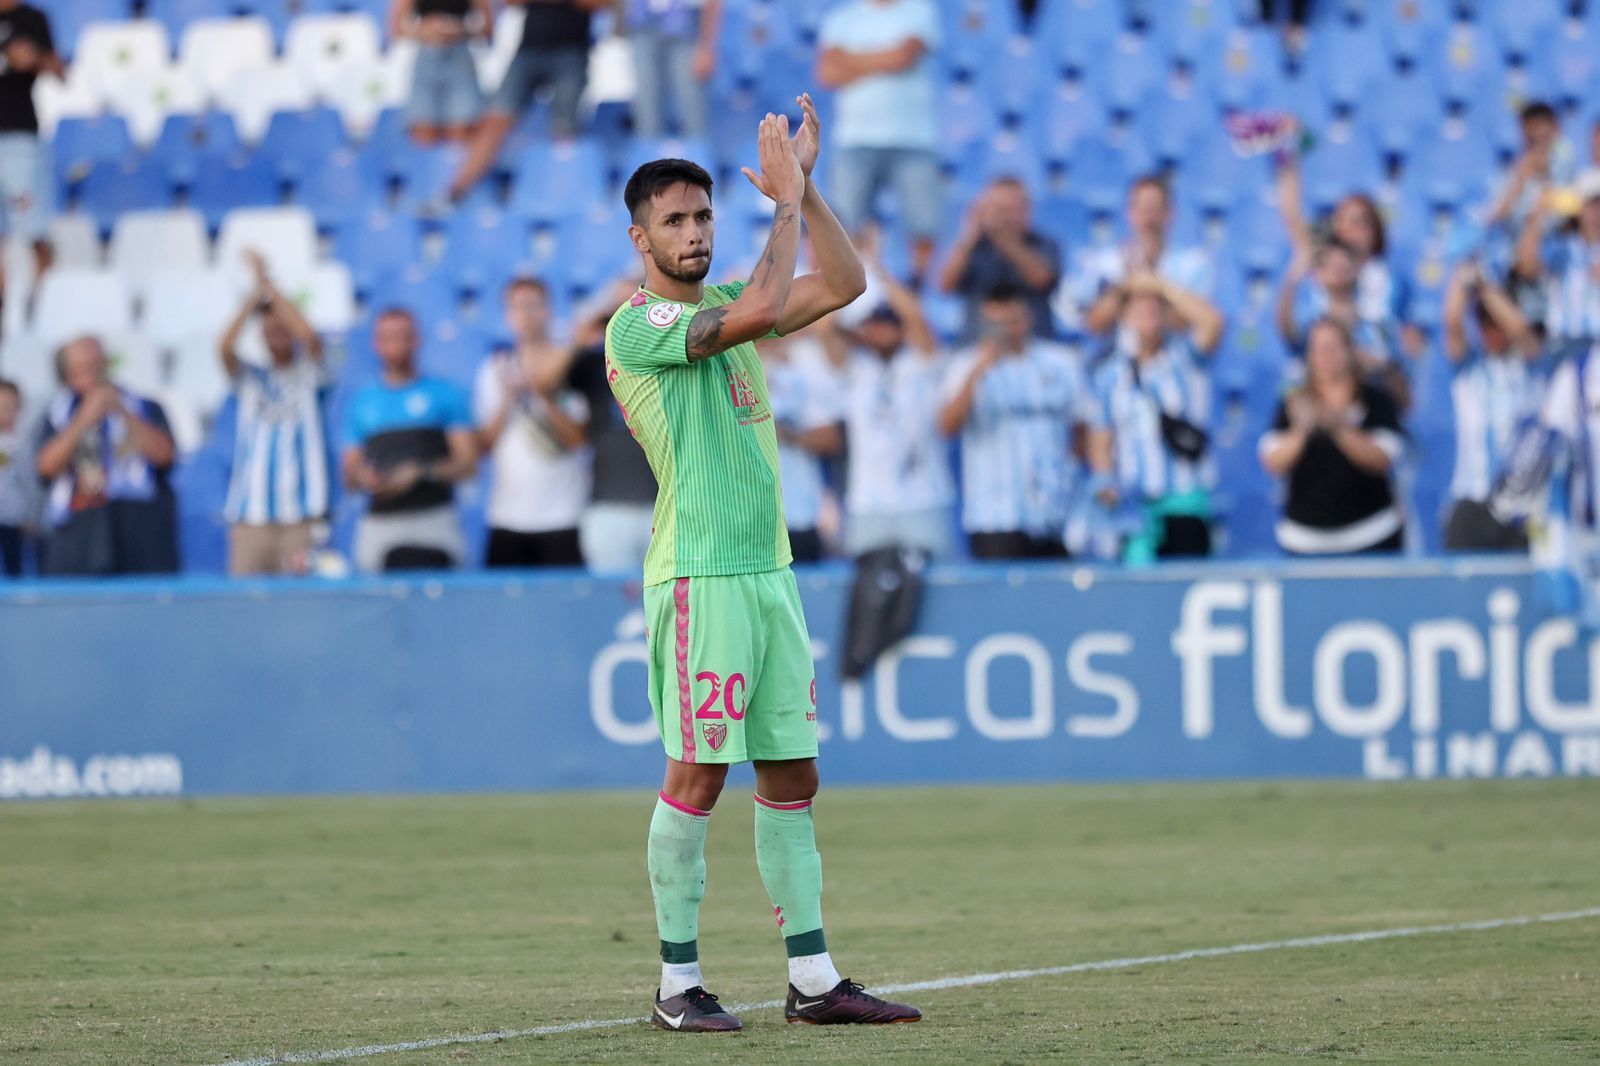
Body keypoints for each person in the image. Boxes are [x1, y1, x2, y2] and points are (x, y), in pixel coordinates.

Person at [604, 98, 919, 1031]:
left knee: (791, 775)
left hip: (768, 572)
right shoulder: (637, 328)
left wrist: (807, 192)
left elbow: (847, 282)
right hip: (699, 575)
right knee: (698, 776)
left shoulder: (727, 302)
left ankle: (814, 980)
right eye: (676, 220)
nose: (695, 232)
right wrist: (783, 206)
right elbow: (772, 303)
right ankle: (674, 985)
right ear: (640, 236)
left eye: (704, 216)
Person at [937, 283, 1091, 560]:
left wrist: (1066, 471)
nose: (1008, 330)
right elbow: (947, 427)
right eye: (999, 324)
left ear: (1028, 318)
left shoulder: (1061, 362)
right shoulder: (965, 364)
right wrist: (978, 372)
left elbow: (1082, 425)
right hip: (995, 515)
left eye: (1014, 321)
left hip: (1056, 513)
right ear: (985, 323)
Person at [1087, 273, 1224, 562]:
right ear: (1125, 318)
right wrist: (1104, 480)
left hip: (1185, 501)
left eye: (1153, 310)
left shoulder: (1186, 358)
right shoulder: (1110, 375)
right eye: (1138, 311)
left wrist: (1160, 285)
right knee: (1140, 598)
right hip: (1136, 507)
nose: (1147, 317)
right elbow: (1101, 437)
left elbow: (1212, 323)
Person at [217, 249, 331, 577]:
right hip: (251, 518)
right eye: (269, 327)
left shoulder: (311, 375)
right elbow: (223, 348)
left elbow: (309, 338)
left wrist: (268, 286)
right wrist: (254, 299)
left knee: (301, 610)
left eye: (283, 326)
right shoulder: (251, 379)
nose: (277, 331)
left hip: (301, 518)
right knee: (244, 610)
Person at [341, 309, 479, 572]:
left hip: (434, 521)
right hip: (380, 525)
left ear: (416, 340)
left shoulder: (444, 394)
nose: (395, 345)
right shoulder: (363, 401)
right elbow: (350, 474)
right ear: (375, 344)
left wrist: (421, 472)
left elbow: (468, 465)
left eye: (403, 336)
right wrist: (365, 477)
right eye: (387, 337)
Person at [435, 0, 608, 208]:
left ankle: (561, 198)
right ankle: (454, 194)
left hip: (571, 53)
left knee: (564, 133)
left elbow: (599, 3)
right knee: (494, 122)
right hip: (528, 52)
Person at [815, 0, 942, 285]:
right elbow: (827, 73)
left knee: (923, 226)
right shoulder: (841, 18)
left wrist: (851, 58)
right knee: (845, 224)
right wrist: (885, 58)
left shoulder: (920, 10)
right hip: (855, 137)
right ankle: (854, 289)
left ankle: (918, 291)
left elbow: (904, 58)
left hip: (913, 138)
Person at [1259, 317, 1407, 557]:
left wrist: (1337, 428)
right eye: (1319, 348)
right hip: (1305, 539)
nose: (1327, 356)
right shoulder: (1294, 403)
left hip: (1371, 533)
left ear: (1350, 351)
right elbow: (1273, 461)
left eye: (1333, 347)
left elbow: (1382, 458)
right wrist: (1302, 430)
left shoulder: (1374, 400)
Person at [832, 271, 954, 559]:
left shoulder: (923, 363)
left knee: (932, 590)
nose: (878, 332)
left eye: (886, 325)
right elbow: (826, 329)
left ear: (901, 330)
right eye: (872, 326)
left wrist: (877, 272)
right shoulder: (856, 368)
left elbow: (916, 317)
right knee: (868, 592)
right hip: (867, 502)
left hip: (923, 499)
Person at [33, 337, 179, 576]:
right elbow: (45, 467)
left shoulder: (143, 406)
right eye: (85, 369)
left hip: (137, 534)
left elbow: (165, 456)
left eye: (100, 365)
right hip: (79, 537)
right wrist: (84, 419)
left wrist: (121, 411)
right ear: (68, 376)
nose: (96, 374)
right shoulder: (57, 413)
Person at [474, 277, 590, 568]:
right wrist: (508, 400)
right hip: (507, 517)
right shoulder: (493, 370)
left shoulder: (570, 367)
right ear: (507, 314)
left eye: (533, 305)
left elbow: (579, 439)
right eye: (517, 306)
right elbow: (482, 445)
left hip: (563, 514)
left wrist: (541, 395)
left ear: (548, 309)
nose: (525, 314)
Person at [1441, 262, 1544, 551]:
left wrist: (1485, 287)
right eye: (1484, 323)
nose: (1491, 331)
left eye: (1496, 323)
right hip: (1473, 501)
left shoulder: (1532, 368)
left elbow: (1520, 330)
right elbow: (1451, 321)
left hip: (1524, 506)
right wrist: (1463, 277)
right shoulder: (1468, 371)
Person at [566, 277, 660, 575]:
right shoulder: (593, 366)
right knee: (610, 605)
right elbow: (545, 381)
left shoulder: (667, 359)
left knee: (670, 610)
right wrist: (588, 330)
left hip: (661, 507)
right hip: (606, 509)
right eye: (618, 313)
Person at [1275, 133, 1400, 332]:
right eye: (1340, 219)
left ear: (1375, 233)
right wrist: (1288, 149)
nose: (1346, 229)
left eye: (1357, 222)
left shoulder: (1386, 280)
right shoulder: (1319, 265)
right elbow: (1291, 214)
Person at [1064, 175, 1213, 337]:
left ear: (1169, 214)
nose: (1148, 218)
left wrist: (1157, 285)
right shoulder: (1103, 263)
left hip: (1171, 358)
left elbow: (1195, 322)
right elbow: (1093, 324)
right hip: (1116, 358)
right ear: (1130, 213)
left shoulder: (1193, 264)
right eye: (1142, 209)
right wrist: (1126, 287)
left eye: (1154, 209)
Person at [0, 0, 64, 329]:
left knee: (33, 232)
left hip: (18, 138)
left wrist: (34, 58)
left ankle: (37, 309)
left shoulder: (32, 19)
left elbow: (61, 74)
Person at [938, 176, 1062, 342]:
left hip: (1033, 348)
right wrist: (970, 233)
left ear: (1027, 210)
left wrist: (1003, 237)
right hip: (977, 346)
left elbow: (1042, 279)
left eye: (1010, 209)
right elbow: (945, 285)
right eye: (997, 209)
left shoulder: (1044, 244)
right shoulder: (973, 247)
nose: (1003, 217)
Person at [1278, 238, 1403, 402]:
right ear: (1318, 274)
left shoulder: (1379, 324)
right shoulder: (1308, 322)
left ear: (1357, 269)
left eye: (1342, 263)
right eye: (1327, 264)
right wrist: (1293, 278)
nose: (1336, 269)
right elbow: (1287, 327)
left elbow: (1399, 380)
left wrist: (1381, 367)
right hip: (1317, 409)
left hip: (1367, 409)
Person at [759, 327, 843, 563]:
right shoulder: (727, 362)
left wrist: (787, 435)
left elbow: (831, 438)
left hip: (800, 512)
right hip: (750, 516)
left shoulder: (803, 366)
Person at [1515, 168, 1600, 346]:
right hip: (1565, 345)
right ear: (1580, 209)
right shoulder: (1564, 247)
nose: (1596, 213)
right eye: (1592, 204)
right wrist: (1536, 217)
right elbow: (1527, 268)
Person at [390, 0, 493, 144]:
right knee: (423, 132)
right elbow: (396, 29)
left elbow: (487, 27)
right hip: (426, 58)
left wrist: (460, 29)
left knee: (462, 131)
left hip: (460, 59)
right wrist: (424, 30)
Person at [622, 0, 722, 140]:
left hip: (685, 31)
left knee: (691, 110)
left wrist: (706, 46)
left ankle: (697, 157)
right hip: (642, 28)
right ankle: (649, 158)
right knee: (646, 112)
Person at [1486, 101, 1577, 238]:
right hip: (1513, 245)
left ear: (1555, 129)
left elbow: (1572, 210)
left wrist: (1545, 178)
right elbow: (1492, 218)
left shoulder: (1567, 167)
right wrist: (1520, 179)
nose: (1536, 136)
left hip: (1556, 244)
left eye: (1541, 129)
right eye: (1530, 132)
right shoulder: (1509, 171)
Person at [0, 376, 35, 575]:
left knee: (15, 567)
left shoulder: (24, 443)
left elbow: (29, 481)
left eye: (10, 406)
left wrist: (29, 517)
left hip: (14, 520)